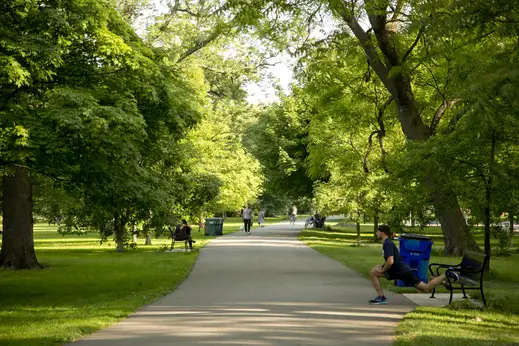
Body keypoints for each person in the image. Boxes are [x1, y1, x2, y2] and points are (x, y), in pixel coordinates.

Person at [369, 224, 459, 305]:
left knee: (426, 289)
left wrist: (383, 269)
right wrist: (382, 266)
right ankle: (381, 297)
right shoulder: (387, 242)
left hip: (401, 271)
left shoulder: (387, 243)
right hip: (396, 270)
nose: (376, 233)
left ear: (382, 233)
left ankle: (446, 274)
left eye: (377, 231)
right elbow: (391, 259)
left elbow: (390, 261)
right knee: (373, 272)